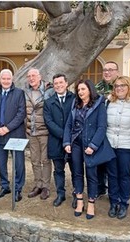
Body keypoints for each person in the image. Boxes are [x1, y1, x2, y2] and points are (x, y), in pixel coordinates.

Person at [63, 80, 115, 219]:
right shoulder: (75, 104)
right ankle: (80, 200)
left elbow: (102, 127)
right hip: (76, 144)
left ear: (90, 90)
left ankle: (91, 202)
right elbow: (69, 125)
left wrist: (93, 146)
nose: (80, 92)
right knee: (77, 173)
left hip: (90, 144)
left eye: (83, 89)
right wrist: (67, 142)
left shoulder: (99, 105)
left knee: (92, 175)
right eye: (78, 89)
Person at [105, 76, 130, 220]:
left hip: (128, 144)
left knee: (124, 174)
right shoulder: (109, 102)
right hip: (110, 143)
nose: (119, 88)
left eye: (123, 86)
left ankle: (124, 203)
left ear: (129, 87)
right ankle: (114, 202)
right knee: (112, 174)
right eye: (117, 86)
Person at [0, 69, 26, 201]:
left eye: (8, 79)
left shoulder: (19, 93)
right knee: (1, 163)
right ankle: (5, 186)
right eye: (3, 79)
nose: (5, 81)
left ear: (12, 79)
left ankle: (18, 188)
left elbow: (21, 114)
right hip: (0, 135)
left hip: (15, 134)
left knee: (19, 164)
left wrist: (8, 128)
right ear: (0, 79)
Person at [44, 73, 76, 208]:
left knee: (76, 170)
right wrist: (64, 136)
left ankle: (77, 194)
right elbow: (49, 122)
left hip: (74, 142)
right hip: (56, 141)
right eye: (56, 83)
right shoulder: (48, 102)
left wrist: (69, 137)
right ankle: (60, 194)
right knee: (58, 170)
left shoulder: (75, 99)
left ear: (66, 83)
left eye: (61, 82)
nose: (58, 85)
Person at [24, 68, 54, 200]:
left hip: (45, 132)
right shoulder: (26, 92)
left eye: (34, 75)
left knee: (45, 160)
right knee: (35, 160)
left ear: (40, 76)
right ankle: (38, 185)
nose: (31, 78)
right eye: (29, 76)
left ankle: (46, 187)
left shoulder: (49, 90)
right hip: (31, 131)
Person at [95, 60, 120, 196]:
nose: (107, 72)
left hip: (116, 132)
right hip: (99, 131)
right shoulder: (97, 87)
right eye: (105, 70)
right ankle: (100, 188)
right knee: (99, 163)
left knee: (115, 166)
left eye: (111, 69)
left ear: (117, 72)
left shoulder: (122, 87)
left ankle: (114, 193)